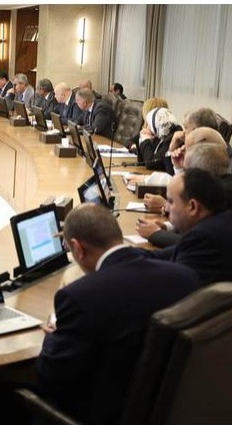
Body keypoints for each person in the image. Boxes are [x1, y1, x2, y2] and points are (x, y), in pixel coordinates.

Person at [37, 204, 199, 425]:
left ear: (78, 248)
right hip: (176, 408)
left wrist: (54, 338)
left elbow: (51, 375)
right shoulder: (186, 277)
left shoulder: (80, 296)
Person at [143, 168, 232, 285]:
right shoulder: (220, 221)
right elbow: (166, 254)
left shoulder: (203, 237)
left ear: (193, 207)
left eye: (170, 201)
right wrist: (124, 254)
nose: (167, 208)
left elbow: (172, 283)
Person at [135, 107, 180, 172]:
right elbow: (142, 162)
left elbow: (151, 163)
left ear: (157, 124)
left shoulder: (171, 138)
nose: (147, 127)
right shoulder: (162, 134)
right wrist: (141, 139)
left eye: (149, 124)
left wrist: (145, 141)